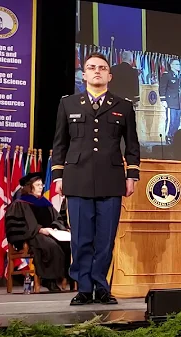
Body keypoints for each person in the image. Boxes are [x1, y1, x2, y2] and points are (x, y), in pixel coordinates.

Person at [52, 51, 141, 305]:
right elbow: (60, 144)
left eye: (102, 68)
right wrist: (58, 176)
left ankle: (101, 287)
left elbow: (132, 146)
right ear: (84, 74)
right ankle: (83, 287)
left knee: (105, 238)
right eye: (91, 67)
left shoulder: (123, 106)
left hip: (111, 179)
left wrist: (131, 175)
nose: (97, 71)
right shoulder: (68, 104)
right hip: (77, 177)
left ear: (109, 75)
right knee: (81, 239)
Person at [5, 173, 71, 292]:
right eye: (38, 185)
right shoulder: (20, 203)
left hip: (49, 233)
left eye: (42, 184)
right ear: (30, 187)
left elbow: (57, 219)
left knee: (67, 243)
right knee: (50, 245)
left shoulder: (45, 203)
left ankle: (71, 277)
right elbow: (17, 226)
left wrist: (55, 227)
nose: (41, 187)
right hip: (31, 235)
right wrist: (39, 229)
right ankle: (48, 280)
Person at [159, 59, 181, 144]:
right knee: (171, 121)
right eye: (176, 64)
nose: (179, 66)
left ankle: (174, 137)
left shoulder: (179, 76)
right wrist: (163, 100)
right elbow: (162, 87)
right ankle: (168, 136)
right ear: (171, 65)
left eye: (179, 64)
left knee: (177, 121)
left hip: (178, 102)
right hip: (170, 102)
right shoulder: (167, 75)